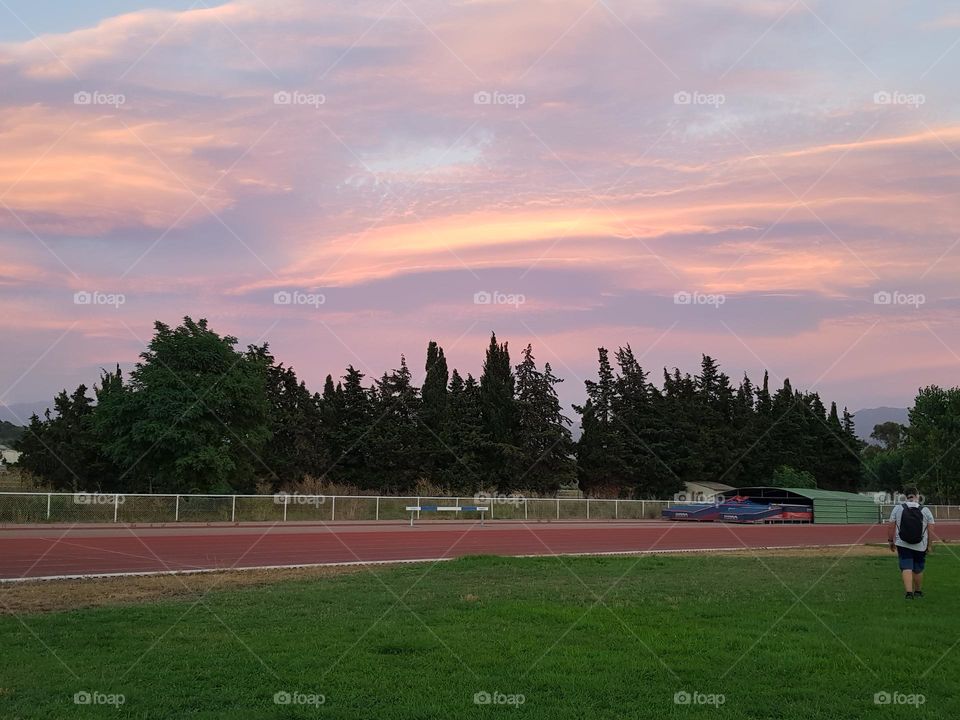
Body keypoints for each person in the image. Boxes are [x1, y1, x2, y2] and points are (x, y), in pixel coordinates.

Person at [888, 487, 936, 599]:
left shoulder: (898, 508)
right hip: (920, 545)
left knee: (906, 567)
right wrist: (929, 545)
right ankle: (918, 592)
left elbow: (891, 526)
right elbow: (931, 529)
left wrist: (891, 541)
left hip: (902, 543)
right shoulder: (925, 510)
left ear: (905, 497)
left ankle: (909, 593)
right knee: (918, 568)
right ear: (917, 496)